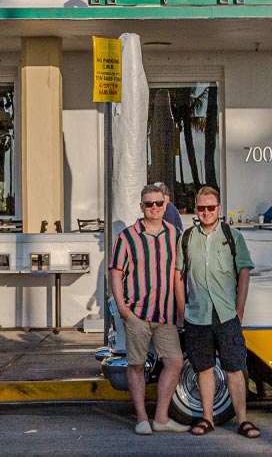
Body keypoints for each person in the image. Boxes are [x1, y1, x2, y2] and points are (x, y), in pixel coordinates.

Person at [179, 185, 260, 438]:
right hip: (197, 315)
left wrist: (240, 309)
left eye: (210, 208)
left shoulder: (232, 236)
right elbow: (177, 275)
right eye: (201, 208)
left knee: (235, 368)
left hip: (226, 314)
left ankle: (243, 421)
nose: (206, 212)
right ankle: (207, 418)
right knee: (203, 368)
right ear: (196, 210)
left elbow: (244, 271)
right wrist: (182, 310)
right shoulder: (187, 238)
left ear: (219, 209)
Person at [109, 184, 189, 435]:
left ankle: (161, 417)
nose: (154, 208)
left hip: (165, 315)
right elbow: (116, 272)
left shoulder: (175, 234)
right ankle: (142, 418)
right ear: (141, 206)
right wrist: (123, 308)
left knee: (174, 362)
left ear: (165, 205)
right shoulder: (127, 236)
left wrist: (180, 311)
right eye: (149, 204)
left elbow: (179, 274)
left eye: (158, 203)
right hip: (137, 313)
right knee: (136, 365)